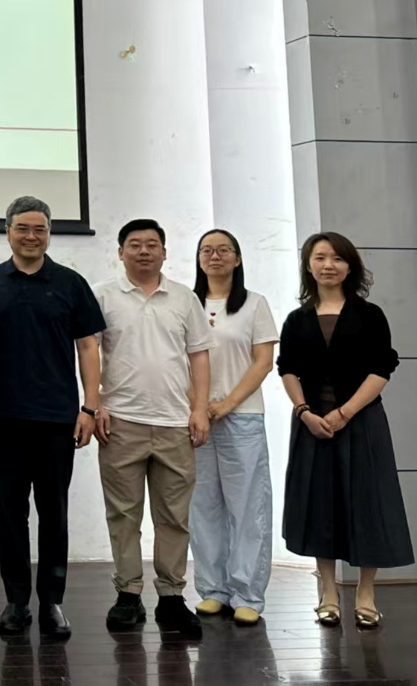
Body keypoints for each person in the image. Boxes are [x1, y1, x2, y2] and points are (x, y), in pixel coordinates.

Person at [0, 196, 104, 639]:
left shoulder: (70, 283)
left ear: (49, 234)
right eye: (22, 228)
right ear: (7, 231)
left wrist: (90, 406)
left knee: (54, 513)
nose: (31, 236)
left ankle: (52, 602)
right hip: (3, 420)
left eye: (40, 229)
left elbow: (88, 346)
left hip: (56, 419)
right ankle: (16, 602)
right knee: (10, 514)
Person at [277, 232, 413, 629]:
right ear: (308, 265)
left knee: (369, 502)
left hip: (362, 421)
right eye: (320, 257)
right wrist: (304, 412)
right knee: (321, 504)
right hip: (312, 423)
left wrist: (346, 412)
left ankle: (366, 592)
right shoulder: (297, 319)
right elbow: (287, 369)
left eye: (337, 258)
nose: (328, 265)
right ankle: (329, 592)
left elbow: (383, 368)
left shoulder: (370, 315)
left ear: (350, 266)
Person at [93, 219, 212, 638]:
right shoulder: (103, 296)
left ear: (164, 252)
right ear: (120, 252)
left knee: (174, 517)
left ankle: (172, 597)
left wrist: (200, 409)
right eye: (135, 244)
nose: (143, 251)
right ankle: (128, 593)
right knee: (124, 515)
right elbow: (88, 353)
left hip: (175, 423)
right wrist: (94, 404)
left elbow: (199, 356)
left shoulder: (184, 298)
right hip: (120, 422)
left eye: (151, 244)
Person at [188, 229, 279, 626]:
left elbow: (263, 362)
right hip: (195, 418)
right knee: (202, 507)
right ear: (198, 258)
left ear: (238, 258)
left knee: (248, 508)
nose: (215, 256)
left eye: (224, 250)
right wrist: (198, 406)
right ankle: (213, 590)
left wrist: (225, 405)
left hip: (242, 417)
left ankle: (247, 594)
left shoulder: (254, 304)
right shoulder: (187, 303)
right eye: (207, 250)